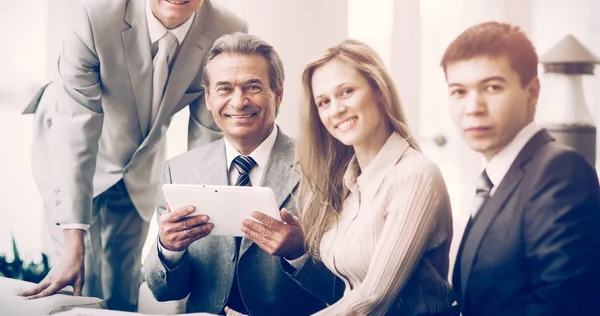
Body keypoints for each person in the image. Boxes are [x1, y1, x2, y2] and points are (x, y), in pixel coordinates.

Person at [20, 0, 247, 310]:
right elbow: (78, 127)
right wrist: (74, 238)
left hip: (141, 157)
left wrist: (204, 236)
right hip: (72, 149)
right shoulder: (92, 16)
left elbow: (210, 137)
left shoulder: (226, 31)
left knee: (125, 281)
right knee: (79, 278)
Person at [144, 32, 339, 315]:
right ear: (209, 99)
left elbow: (342, 290)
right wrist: (169, 249)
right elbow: (164, 291)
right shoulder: (179, 170)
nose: (238, 102)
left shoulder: (324, 169)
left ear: (278, 94)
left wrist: (299, 253)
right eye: (224, 89)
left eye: (252, 87)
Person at [442, 21, 600, 316]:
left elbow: (563, 306)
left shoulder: (561, 172)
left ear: (533, 91)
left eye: (492, 87)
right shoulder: (494, 179)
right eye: (459, 91)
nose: (473, 106)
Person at [290, 39, 456, 315]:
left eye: (346, 92)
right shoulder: (347, 182)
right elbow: (348, 290)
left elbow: (371, 299)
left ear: (379, 90)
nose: (336, 109)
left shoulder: (415, 175)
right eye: (324, 102)